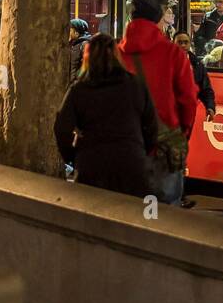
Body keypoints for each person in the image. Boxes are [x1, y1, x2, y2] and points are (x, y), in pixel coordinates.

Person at [54, 33, 159, 197]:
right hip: (131, 162)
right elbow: (152, 126)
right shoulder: (135, 85)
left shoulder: (79, 89)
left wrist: (74, 156)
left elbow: (62, 128)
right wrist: (140, 150)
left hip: (92, 163)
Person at [119, 0, 197, 205]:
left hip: (125, 147)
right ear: (158, 19)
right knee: (163, 217)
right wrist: (181, 133)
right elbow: (188, 99)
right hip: (163, 146)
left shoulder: (116, 54)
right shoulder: (173, 53)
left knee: (126, 211)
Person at [173, 32, 216, 117]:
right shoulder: (164, 63)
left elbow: (206, 89)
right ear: (173, 43)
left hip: (188, 112)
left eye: (186, 42)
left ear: (190, 44)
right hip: (169, 112)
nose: (183, 45)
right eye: (180, 42)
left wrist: (210, 107)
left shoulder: (197, 64)